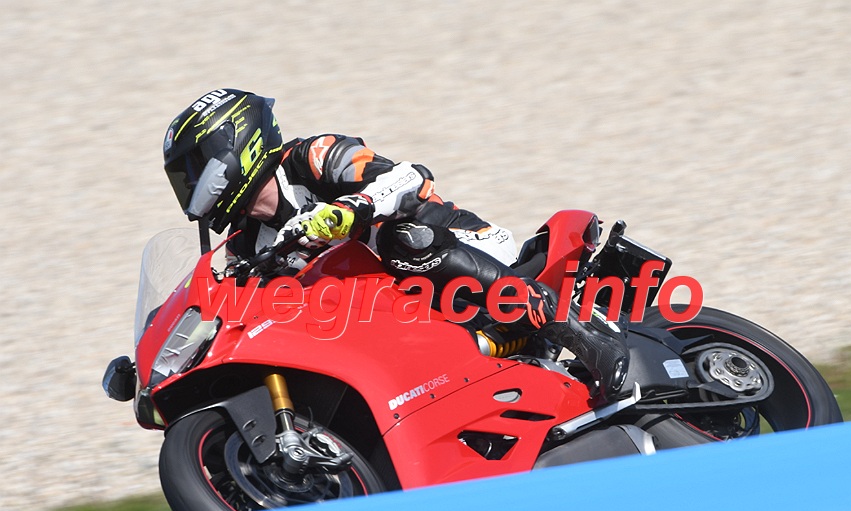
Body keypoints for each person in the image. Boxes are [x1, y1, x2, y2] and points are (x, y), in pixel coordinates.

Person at [162, 88, 630, 400]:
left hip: (462, 255)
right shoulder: (248, 244)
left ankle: (570, 328)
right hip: (399, 315)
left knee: (398, 238)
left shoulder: (313, 157)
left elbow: (410, 176)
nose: (193, 187)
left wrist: (350, 209)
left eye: (196, 169)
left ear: (233, 144)